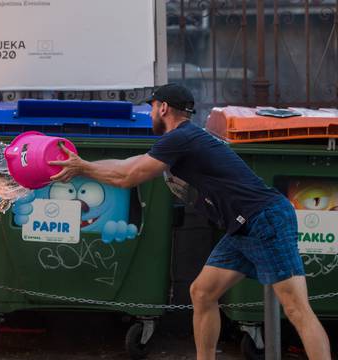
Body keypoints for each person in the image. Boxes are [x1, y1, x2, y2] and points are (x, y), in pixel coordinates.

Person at [49, 84, 331, 360]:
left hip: (265, 219)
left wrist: (82, 168)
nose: (150, 115)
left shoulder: (181, 137)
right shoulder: (182, 139)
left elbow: (128, 176)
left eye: (151, 109)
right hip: (242, 226)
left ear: (163, 108)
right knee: (202, 292)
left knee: (296, 309)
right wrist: (85, 165)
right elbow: (128, 164)